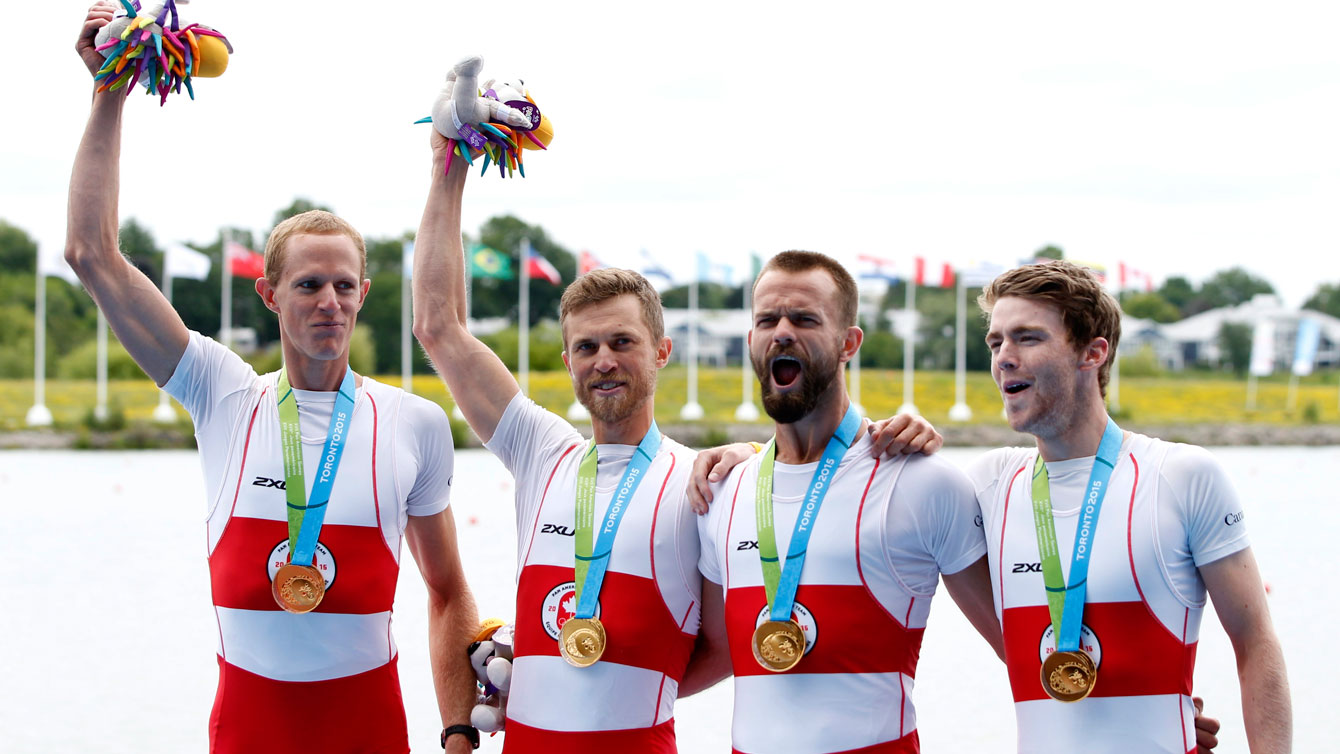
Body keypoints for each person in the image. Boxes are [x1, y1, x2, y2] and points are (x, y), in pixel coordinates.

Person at [410, 126, 942, 750]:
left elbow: (726, 647)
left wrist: (895, 431)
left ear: (661, 352)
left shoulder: (710, 483)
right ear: (568, 360)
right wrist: (450, 165)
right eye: (587, 347)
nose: (604, 360)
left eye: (622, 343)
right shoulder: (541, 451)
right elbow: (438, 327)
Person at [67, 4, 479, 752]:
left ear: (363, 294)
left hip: (370, 727)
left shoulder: (415, 425)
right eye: (309, 285)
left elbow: (448, 594)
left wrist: (455, 731)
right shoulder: (222, 392)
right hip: (250, 727)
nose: (330, 303)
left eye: (345, 287)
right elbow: (92, 255)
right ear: (269, 293)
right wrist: (109, 94)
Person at [688, 250, 1003, 754]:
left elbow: (1022, 649)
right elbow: (711, 655)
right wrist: (542, 677)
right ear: (751, 340)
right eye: (767, 319)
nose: (782, 332)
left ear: (848, 342)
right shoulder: (724, 489)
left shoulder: (922, 482)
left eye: (805, 319)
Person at [970, 260, 1290, 753]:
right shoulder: (989, 483)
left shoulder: (1180, 476)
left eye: (1027, 338)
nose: (1003, 358)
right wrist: (897, 436)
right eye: (996, 342)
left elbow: (1256, 643)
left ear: (1092, 353)